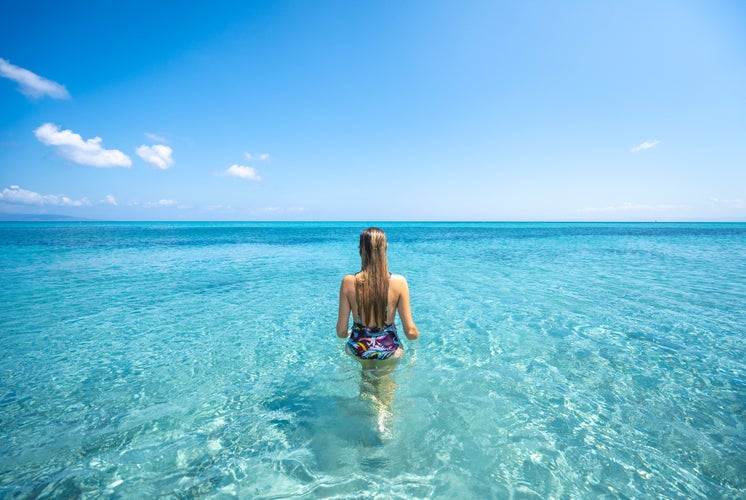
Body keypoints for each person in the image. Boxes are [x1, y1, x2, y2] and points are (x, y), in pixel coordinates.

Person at [336, 227, 419, 368]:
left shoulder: (348, 282)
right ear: (385, 248)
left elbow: (341, 332)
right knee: (386, 387)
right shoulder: (399, 282)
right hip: (389, 348)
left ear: (360, 250)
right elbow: (410, 332)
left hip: (359, 347)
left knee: (365, 385)